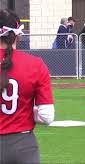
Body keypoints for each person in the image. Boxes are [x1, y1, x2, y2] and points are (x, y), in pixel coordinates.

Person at [0, 9, 55, 164]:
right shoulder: (35, 64)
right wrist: (26, 111)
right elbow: (47, 116)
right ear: (18, 34)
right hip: (23, 146)